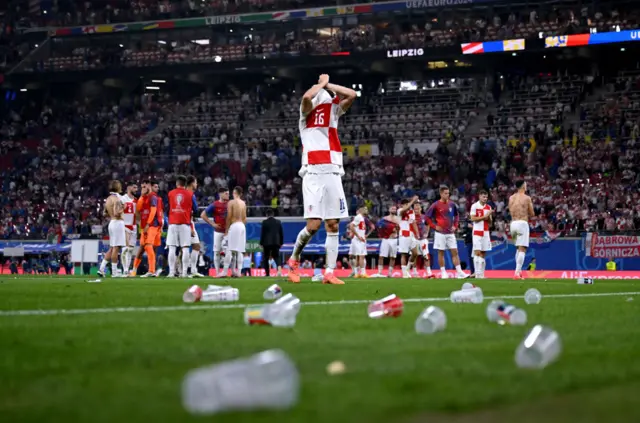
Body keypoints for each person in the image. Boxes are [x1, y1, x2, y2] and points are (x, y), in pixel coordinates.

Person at [287, 73, 357, 285]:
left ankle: (329, 272)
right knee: (313, 225)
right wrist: (321, 85)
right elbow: (307, 98)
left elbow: (352, 94)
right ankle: (294, 259)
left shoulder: (334, 113)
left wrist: (327, 84)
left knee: (334, 225)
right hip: (313, 172)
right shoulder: (305, 116)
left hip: (333, 170)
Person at [425, 186, 467, 279]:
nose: (447, 195)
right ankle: (443, 272)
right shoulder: (435, 205)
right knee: (441, 253)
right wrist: (434, 226)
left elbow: (456, 216)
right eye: (445, 193)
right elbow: (427, 217)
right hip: (440, 234)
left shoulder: (452, 204)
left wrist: (455, 226)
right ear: (441, 194)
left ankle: (459, 272)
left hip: (450, 233)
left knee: (455, 252)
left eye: (448, 193)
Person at [133, 180, 162, 277]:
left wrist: (148, 224)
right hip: (145, 226)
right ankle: (134, 271)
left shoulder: (153, 197)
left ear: (149, 186)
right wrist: (141, 195)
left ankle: (152, 270)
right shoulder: (143, 198)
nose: (143, 189)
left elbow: (153, 212)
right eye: (142, 187)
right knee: (143, 247)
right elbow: (138, 210)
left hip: (152, 225)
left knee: (149, 246)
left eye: (144, 187)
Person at [167, 175, 194, 278]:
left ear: (177, 183)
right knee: (186, 248)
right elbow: (195, 209)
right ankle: (184, 273)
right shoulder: (190, 194)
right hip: (185, 223)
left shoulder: (170, 193)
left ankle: (171, 272)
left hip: (173, 223)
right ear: (185, 184)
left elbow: (168, 207)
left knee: (172, 248)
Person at [98, 180, 126, 278]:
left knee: (112, 248)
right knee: (116, 248)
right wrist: (124, 208)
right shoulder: (117, 198)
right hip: (118, 223)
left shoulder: (109, 198)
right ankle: (114, 272)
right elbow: (116, 213)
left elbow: (104, 213)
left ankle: (101, 269)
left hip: (112, 223)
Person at [508, 180, 535, 279]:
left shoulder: (511, 198)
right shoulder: (527, 198)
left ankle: (518, 273)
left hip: (513, 223)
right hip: (522, 222)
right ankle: (517, 272)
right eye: (526, 184)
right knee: (522, 248)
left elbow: (510, 210)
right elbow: (532, 213)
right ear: (523, 186)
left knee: (517, 248)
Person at [201, 187, 229, 276]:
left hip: (228, 232)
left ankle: (225, 272)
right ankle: (217, 272)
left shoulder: (230, 204)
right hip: (218, 232)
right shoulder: (215, 205)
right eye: (226, 193)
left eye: (228, 193)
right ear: (220, 194)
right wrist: (212, 224)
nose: (228, 195)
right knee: (216, 252)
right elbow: (203, 215)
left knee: (228, 252)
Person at [224, 186, 247, 278]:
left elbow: (229, 216)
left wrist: (226, 229)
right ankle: (238, 272)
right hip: (242, 225)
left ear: (234, 193)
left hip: (235, 225)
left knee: (230, 249)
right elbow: (245, 217)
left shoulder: (231, 202)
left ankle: (225, 271)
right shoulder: (243, 203)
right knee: (240, 250)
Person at [470, 190, 493, 279]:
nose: (485, 199)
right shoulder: (474, 206)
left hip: (486, 232)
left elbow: (490, 223)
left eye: (486, 197)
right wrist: (485, 216)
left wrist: (489, 217)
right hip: (477, 232)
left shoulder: (488, 207)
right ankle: (477, 274)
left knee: (483, 253)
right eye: (483, 197)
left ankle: (482, 275)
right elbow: (473, 219)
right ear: (479, 196)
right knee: (477, 253)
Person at [186, 175, 204, 278]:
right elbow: (195, 210)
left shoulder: (182, 193)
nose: (196, 184)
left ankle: (189, 270)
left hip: (182, 222)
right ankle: (189, 270)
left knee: (186, 247)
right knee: (193, 246)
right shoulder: (190, 195)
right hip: (188, 222)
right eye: (196, 182)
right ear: (192, 183)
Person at [373, 205, 400, 278]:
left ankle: (390, 273)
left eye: (395, 209)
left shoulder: (398, 219)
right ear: (389, 209)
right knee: (381, 256)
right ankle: (379, 272)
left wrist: (397, 229)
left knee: (393, 257)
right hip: (386, 239)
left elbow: (400, 229)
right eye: (392, 208)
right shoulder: (384, 219)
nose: (394, 210)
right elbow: (379, 227)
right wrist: (389, 230)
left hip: (394, 239)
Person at [397, 196, 420, 279]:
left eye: (408, 204)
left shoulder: (411, 212)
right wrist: (413, 200)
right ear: (402, 205)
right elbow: (404, 210)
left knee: (415, 253)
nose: (407, 205)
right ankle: (404, 273)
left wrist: (417, 233)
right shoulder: (399, 211)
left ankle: (407, 269)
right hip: (403, 234)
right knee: (404, 254)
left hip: (411, 234)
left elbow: (413, 222)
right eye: (405, 204)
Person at [349, 206, 374, 278]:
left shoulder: (362, 218)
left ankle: (357, 274)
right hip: (358, 240)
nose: (366, 210)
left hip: (361, 239)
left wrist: (365, 236)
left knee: (358, 256)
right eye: (365, 209)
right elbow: (351, 225)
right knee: (361, 256)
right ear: (360, 210)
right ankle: (363, 273)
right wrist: (358, 236)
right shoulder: (358, 217)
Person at [413, 202, 435, 278]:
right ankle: (415, 272)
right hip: (414, 239)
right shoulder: (411, 218)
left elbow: (428, 224)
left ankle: (428, 272)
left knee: (426, 255)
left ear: (421, 209)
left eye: (418, 208)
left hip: (423, 239)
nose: (416, 210)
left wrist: (426, 233)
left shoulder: (424, 217)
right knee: (414, 256)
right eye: (415, 209)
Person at [120, 183, 138, 276]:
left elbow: (137, 214)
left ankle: (127, 268)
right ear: (128, 188)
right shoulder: (123, 199)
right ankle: (125, 270)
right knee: (126, 248)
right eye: (134, 187)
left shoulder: (136, 200)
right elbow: (118, 211)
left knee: (131, 250)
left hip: (134, 226)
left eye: (136, 188)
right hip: (125, 225)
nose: (136, 189)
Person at [260, 208, 283, 277]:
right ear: (273, 214)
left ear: (267, 215)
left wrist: (261, 243)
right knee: (276, 256)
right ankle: (279, 270)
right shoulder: (278, 222)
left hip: (266, 243)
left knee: (266, 258)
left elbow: (262, 233)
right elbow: (281, 233)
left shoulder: (264, 222)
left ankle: (267, 274)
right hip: (276, 242)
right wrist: (281, 242)